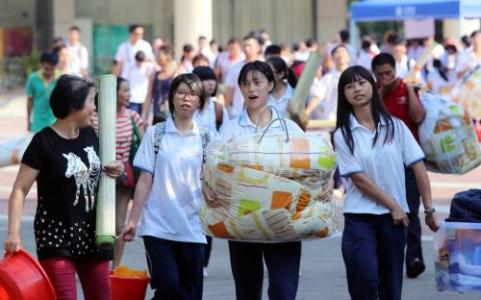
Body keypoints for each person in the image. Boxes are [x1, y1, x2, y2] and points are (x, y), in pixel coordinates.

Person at [4, 74, 125, 300]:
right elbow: (20, 190)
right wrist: (13, 233)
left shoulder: (90, 134)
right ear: (73, 105)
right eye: (91, 101)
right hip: (55, 236)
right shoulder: (43, 142)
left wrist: (116, 169)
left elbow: (101, 171)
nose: (95, 108)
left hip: (94, 234)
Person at [332, 65, 438, 300]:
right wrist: (393, 204)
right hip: (361, 218)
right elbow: (358, 179)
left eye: (361, 83)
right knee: (366, 278)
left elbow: (418, 166)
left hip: (393, 220)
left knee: (391, 286)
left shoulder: (396, 127)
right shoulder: (342, 134)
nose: (356, 89)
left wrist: (429, 208)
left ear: (372, 85)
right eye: (349, 86)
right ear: (344, 95)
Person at [216, 61, 304, 300]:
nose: (251, 89)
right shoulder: (230, 130)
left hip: (283, 222)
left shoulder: (289, 129)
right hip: (243, 224)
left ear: (270, 85)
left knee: (284, 292)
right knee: (246, 292)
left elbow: (308, 169)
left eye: (257, 82)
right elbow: (216, 171)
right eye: (245, 84)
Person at [122, 73, 211, 300]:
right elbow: (145, 179)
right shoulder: (156, 134)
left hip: (193, 228)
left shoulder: (207, 138)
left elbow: (212, 181)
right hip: (158, 228)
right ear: (172, 97)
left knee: (190, 295)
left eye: (192, 94)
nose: (186, 98)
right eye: (181, 92)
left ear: (200, 101)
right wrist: (133, 220)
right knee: (169, 288)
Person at [371, 53, 429, 279]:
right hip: (382, 162)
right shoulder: (372, 93)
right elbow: (370, 117)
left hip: (408, 161)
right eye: (381, 74)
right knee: (385, 211)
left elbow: (418, 117)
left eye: (389, 73)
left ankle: (414, 258)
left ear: (395, 70)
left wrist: (411, 91)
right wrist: (382, 91)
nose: (386, 77)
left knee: (411, 210)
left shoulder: (407, 88)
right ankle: (384, 257)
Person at [90, 77, 145, 268]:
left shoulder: (133, 117)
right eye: (125, 90)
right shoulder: (93, 117)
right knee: (96, 224)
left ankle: (113, 268)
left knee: (119, 225)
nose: (129, 94)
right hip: (96, 178)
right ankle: (96, 266)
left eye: (129, 91)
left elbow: (144, 147)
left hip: (122, 179)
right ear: (112, 93)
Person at [192, 66, 228, 277]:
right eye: (204, 79)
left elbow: (226, 138)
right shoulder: (189, 106)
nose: (209, 83)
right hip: (190, 167)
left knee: (208, 213)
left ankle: (203, 262)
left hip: (212, 168)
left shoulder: (218, 108)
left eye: (212, 79)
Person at [305, 44, 350, 120]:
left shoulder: (356, 76)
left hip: (351, 120)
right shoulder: (328, 78)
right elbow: (317, 97)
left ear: (349, 57)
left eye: (343, 52)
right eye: (337, 52)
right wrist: (306, 113)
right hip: (332, 120)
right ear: (332, 58)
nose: (340, 54)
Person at [224, 35, 262, 119]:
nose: (246, 48)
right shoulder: (235, 67)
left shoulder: (264, 66)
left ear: (258, 48)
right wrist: (228, 109)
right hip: (238, 113)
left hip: (260, 114)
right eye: (244, 46)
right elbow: (230, 90)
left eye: (249, 46)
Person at [143, 44, 176, 125]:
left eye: (158, 55)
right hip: (157, 117)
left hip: (174, 117)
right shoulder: (153, 75)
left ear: (168, 56)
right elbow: (148, 97)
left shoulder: (177, 74)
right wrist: (144, 116)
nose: (156, 57)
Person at [26, 51, 59, 132]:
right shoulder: (32, 78)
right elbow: (29, 101)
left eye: (52, 69)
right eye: (46, 69)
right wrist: (28, 121)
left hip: (56, 124)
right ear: (41, 65)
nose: (49, 72)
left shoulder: (60, 79)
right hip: (38, 124)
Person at [193, 66, 228, 132]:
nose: (211, 83)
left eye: (213, 79)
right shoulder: (187, 108)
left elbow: (226, 136)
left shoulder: (219, 109)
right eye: (205, 80)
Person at [126, 50, 155, 115]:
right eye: (138, 61)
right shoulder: (130, 67)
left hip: (144, 99)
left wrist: (149, 60)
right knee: (133, 121)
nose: (139, 63)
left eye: (141, 61)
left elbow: (157, 67)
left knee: (144, 121)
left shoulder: (149, 67)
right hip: (133, 99)